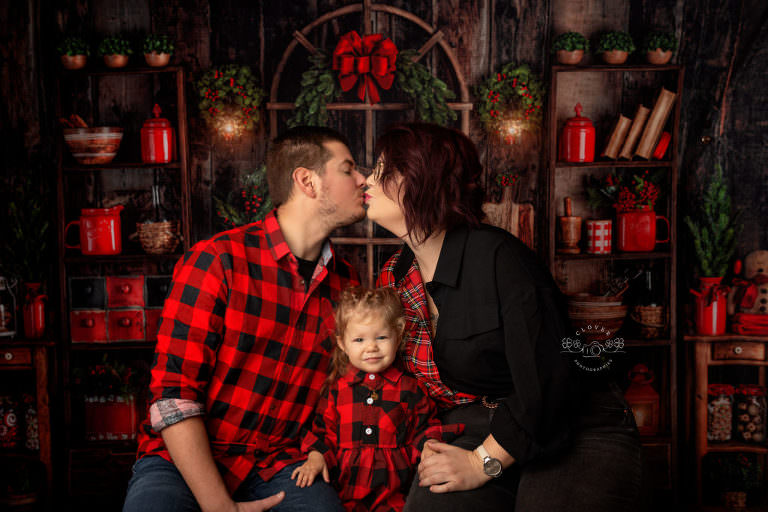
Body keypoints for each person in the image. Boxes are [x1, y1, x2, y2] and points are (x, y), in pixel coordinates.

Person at [365, 122, 642, 511]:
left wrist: (482, 462)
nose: (368, 181)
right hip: (482, 420)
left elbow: (546, 380)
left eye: (383, 171)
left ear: (422, 179)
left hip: (574, 420)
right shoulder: (395, 275)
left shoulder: (500, 258)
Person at [123, 126, 368, 512]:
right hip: (186, 458)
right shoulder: (219, 260)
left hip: (281, 462)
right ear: (306, 181)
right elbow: (174, 397)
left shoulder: (347, 283)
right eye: (348, 169)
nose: (362, 180)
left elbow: (340, 395)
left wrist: (322, 449)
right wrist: (218, 504)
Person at [290, 286, 462, 511]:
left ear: (397, 335)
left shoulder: (410, 388)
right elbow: (323, 433)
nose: (371, 347)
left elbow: (425, 427)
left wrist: (428, 446)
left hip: (395, 494)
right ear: (343, 344)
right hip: (345, 493)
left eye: (381, 337)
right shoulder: (336, 390)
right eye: (359, 340)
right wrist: (316, 456)